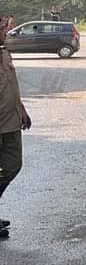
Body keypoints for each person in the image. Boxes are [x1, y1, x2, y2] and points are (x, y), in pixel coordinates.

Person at [0, 21, 31, 239]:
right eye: (2, 30)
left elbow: (12, 85)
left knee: (13, 165)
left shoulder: (4, 55)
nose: (5, 33)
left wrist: (22, 109)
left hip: (10, 123)